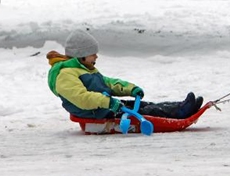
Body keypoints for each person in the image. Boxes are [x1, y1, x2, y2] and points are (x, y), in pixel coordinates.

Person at [47, 30, 203, 120]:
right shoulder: (65, 75)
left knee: (144, 105)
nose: (96, 57)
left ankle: (180, 106)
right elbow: (81, 98)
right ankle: (180, 113)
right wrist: (107, 103)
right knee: (144, 113)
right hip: (96, 112)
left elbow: (107, 83)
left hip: (104, 107)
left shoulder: (84, 69)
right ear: (80, 55)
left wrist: (130, 89)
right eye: (92, 54)